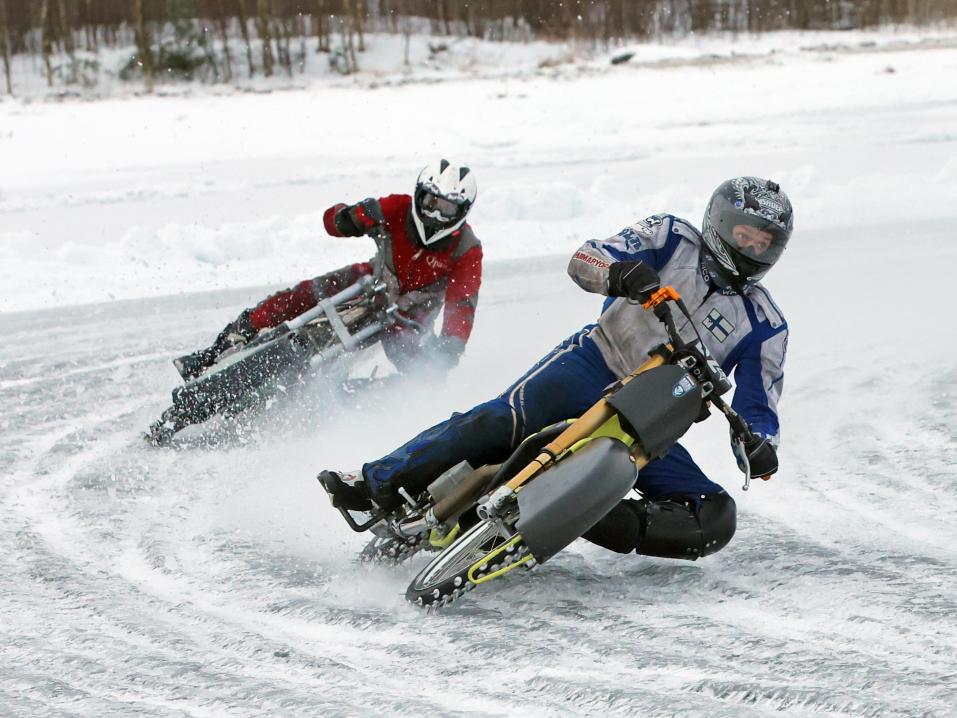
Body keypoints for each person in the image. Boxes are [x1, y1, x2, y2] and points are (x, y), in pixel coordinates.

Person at [321, 176, 793, 562]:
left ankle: (575, 512)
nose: (752, 247)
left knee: (714, 515)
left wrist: (759, 448)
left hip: (651, 424)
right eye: (744, 234)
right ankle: (372, 483)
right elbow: (586, 257)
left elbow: (758, 411)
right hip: (592, 363)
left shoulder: (766, 325)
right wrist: (620, 273)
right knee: (496, 421)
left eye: (764, 241)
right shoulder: (670, 235)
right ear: (719, 223)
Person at [174, 159, 482, 380]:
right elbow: (335, 220)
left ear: (462, 211)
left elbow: (462, 302)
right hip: (370, 280)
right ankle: (214, 352)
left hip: (411, 314)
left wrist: (450, 346)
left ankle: (381, 403)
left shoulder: (466, 248)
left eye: (446, 208)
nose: (434, 213)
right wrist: (345, 218)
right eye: (430, 201)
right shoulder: (397, 207)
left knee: (417, 364)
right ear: (418, 194)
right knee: (300, 296)